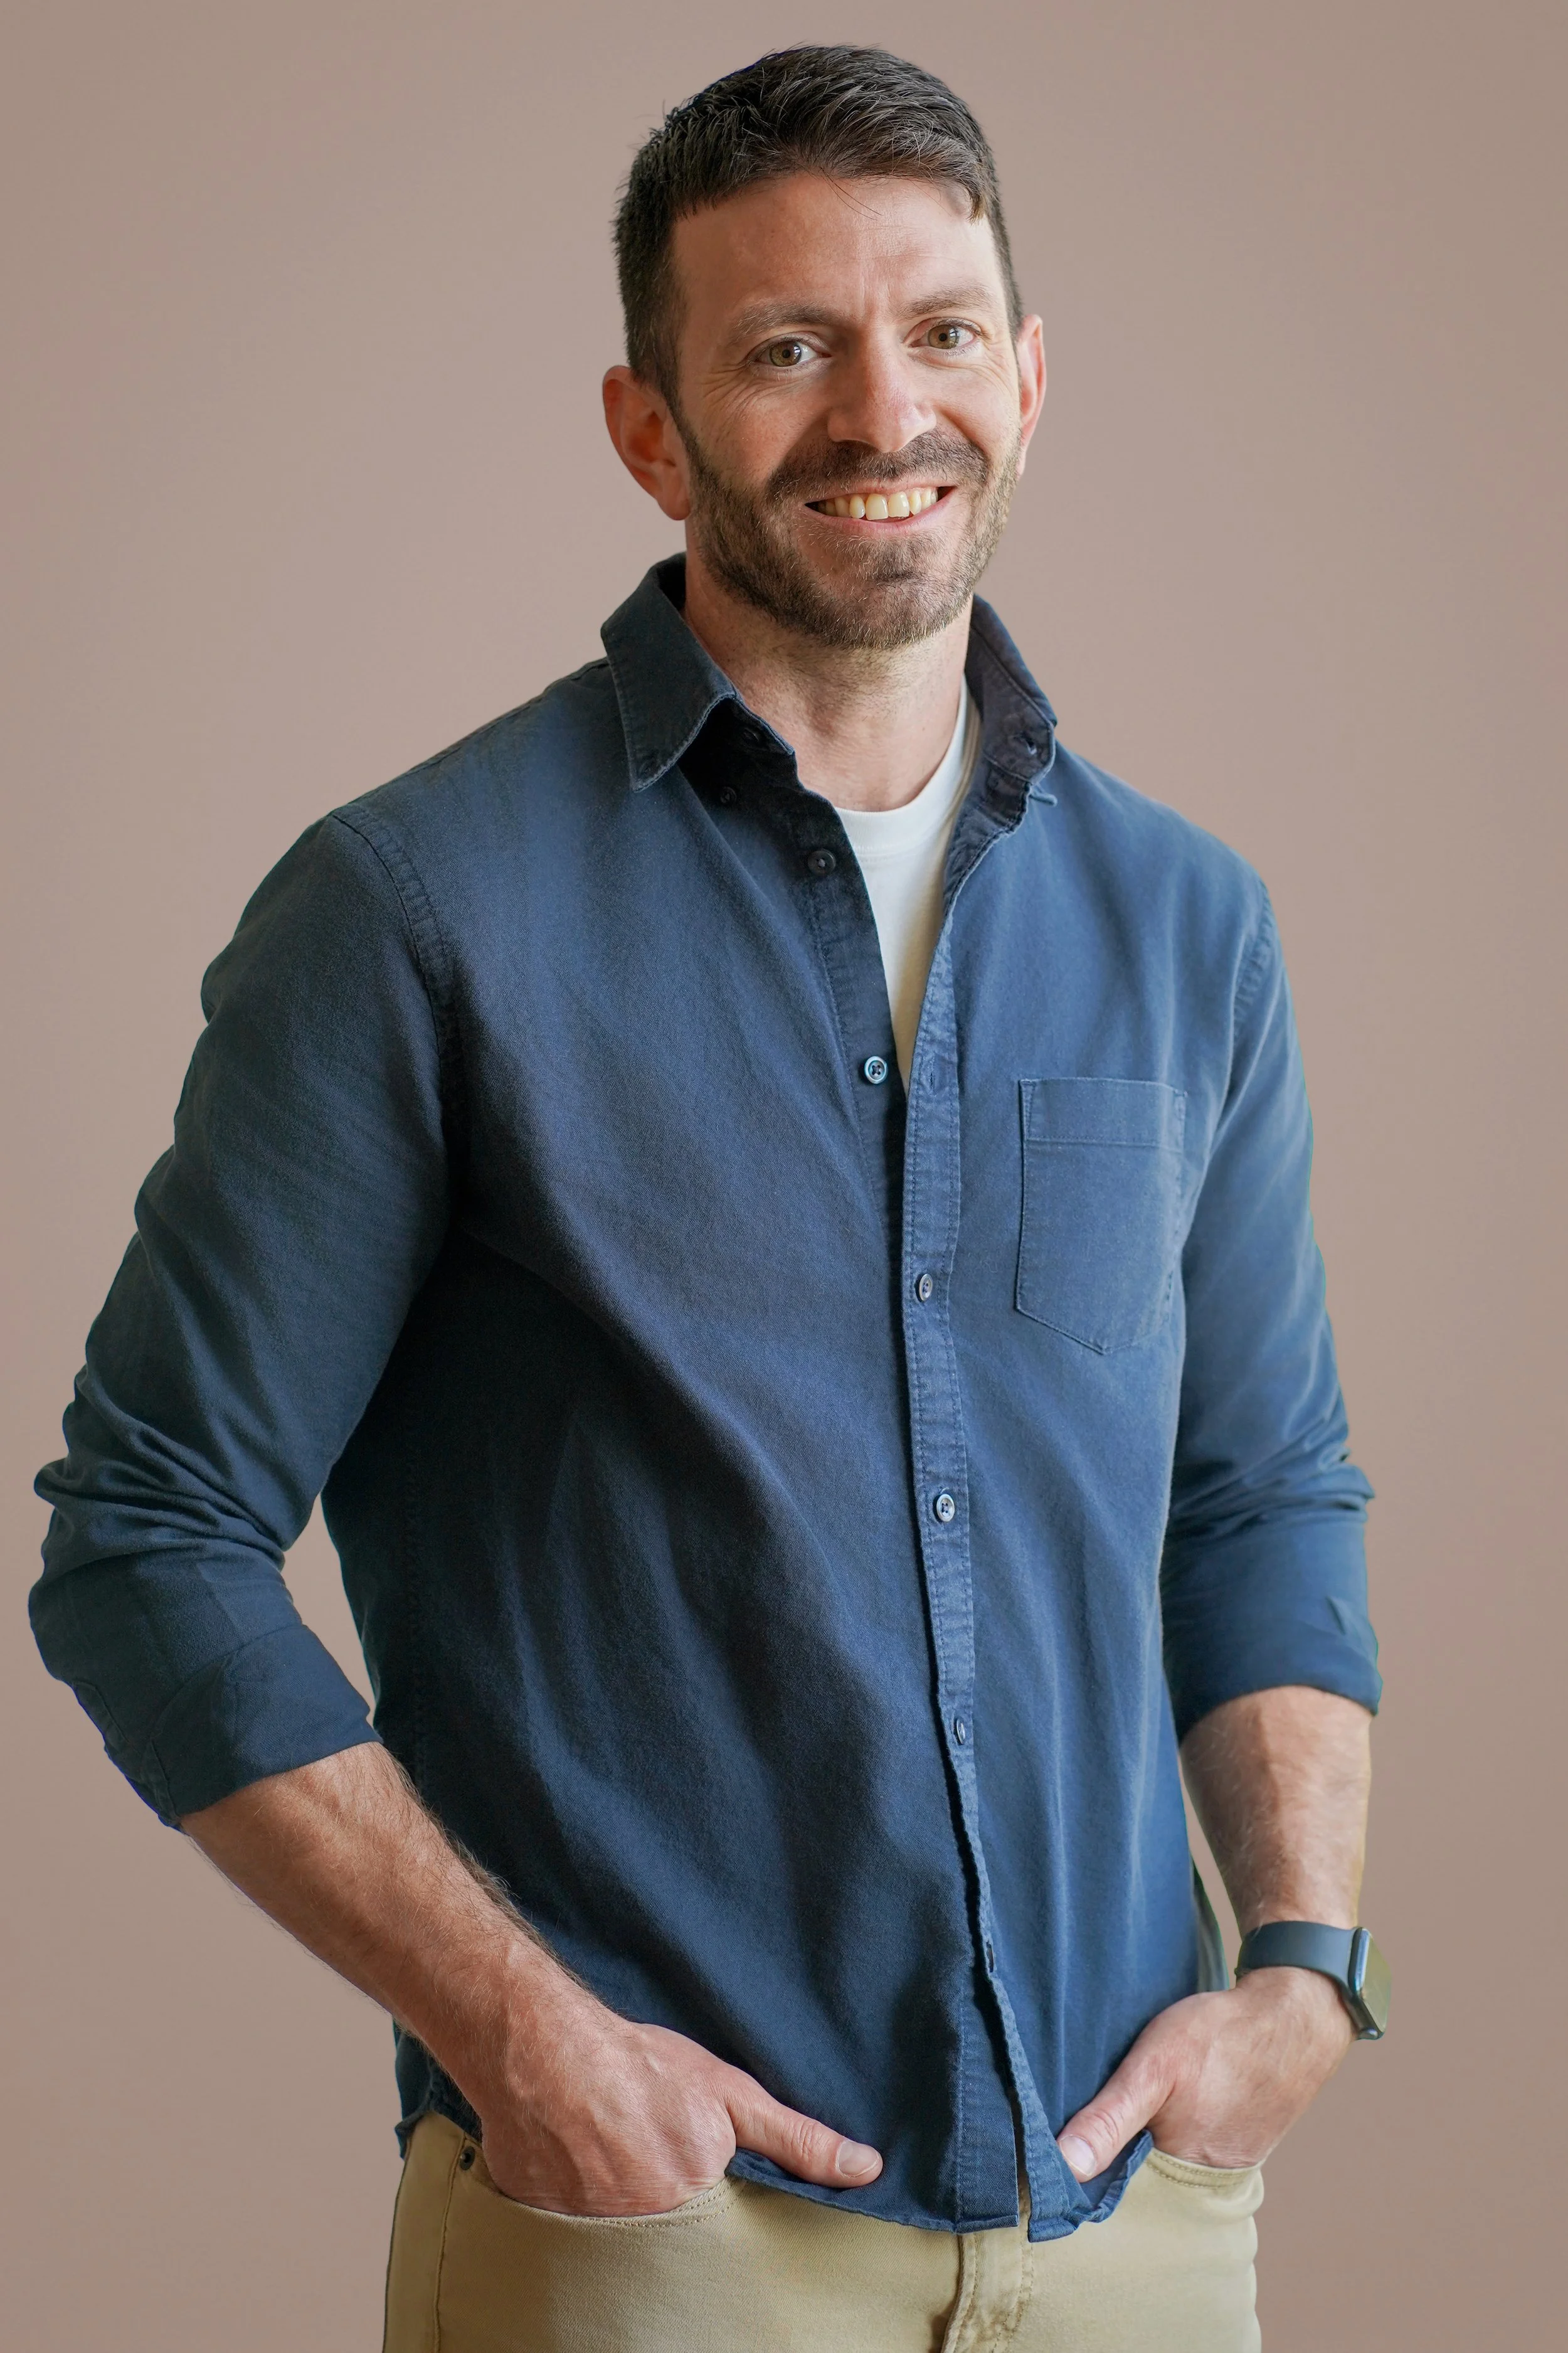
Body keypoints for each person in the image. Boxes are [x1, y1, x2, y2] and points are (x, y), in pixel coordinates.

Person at [31, 44, 1387, 2353]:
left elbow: (1255, 1488)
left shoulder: (1189, 921)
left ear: (1028, 379)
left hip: (1138, 2228)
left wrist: (1304, 1976)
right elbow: (145, 1540)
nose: (887, 410)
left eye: (943, 331)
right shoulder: (413, 910)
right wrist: (524, 2043)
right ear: (650, 429)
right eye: (787, 347)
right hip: (658, 2240)